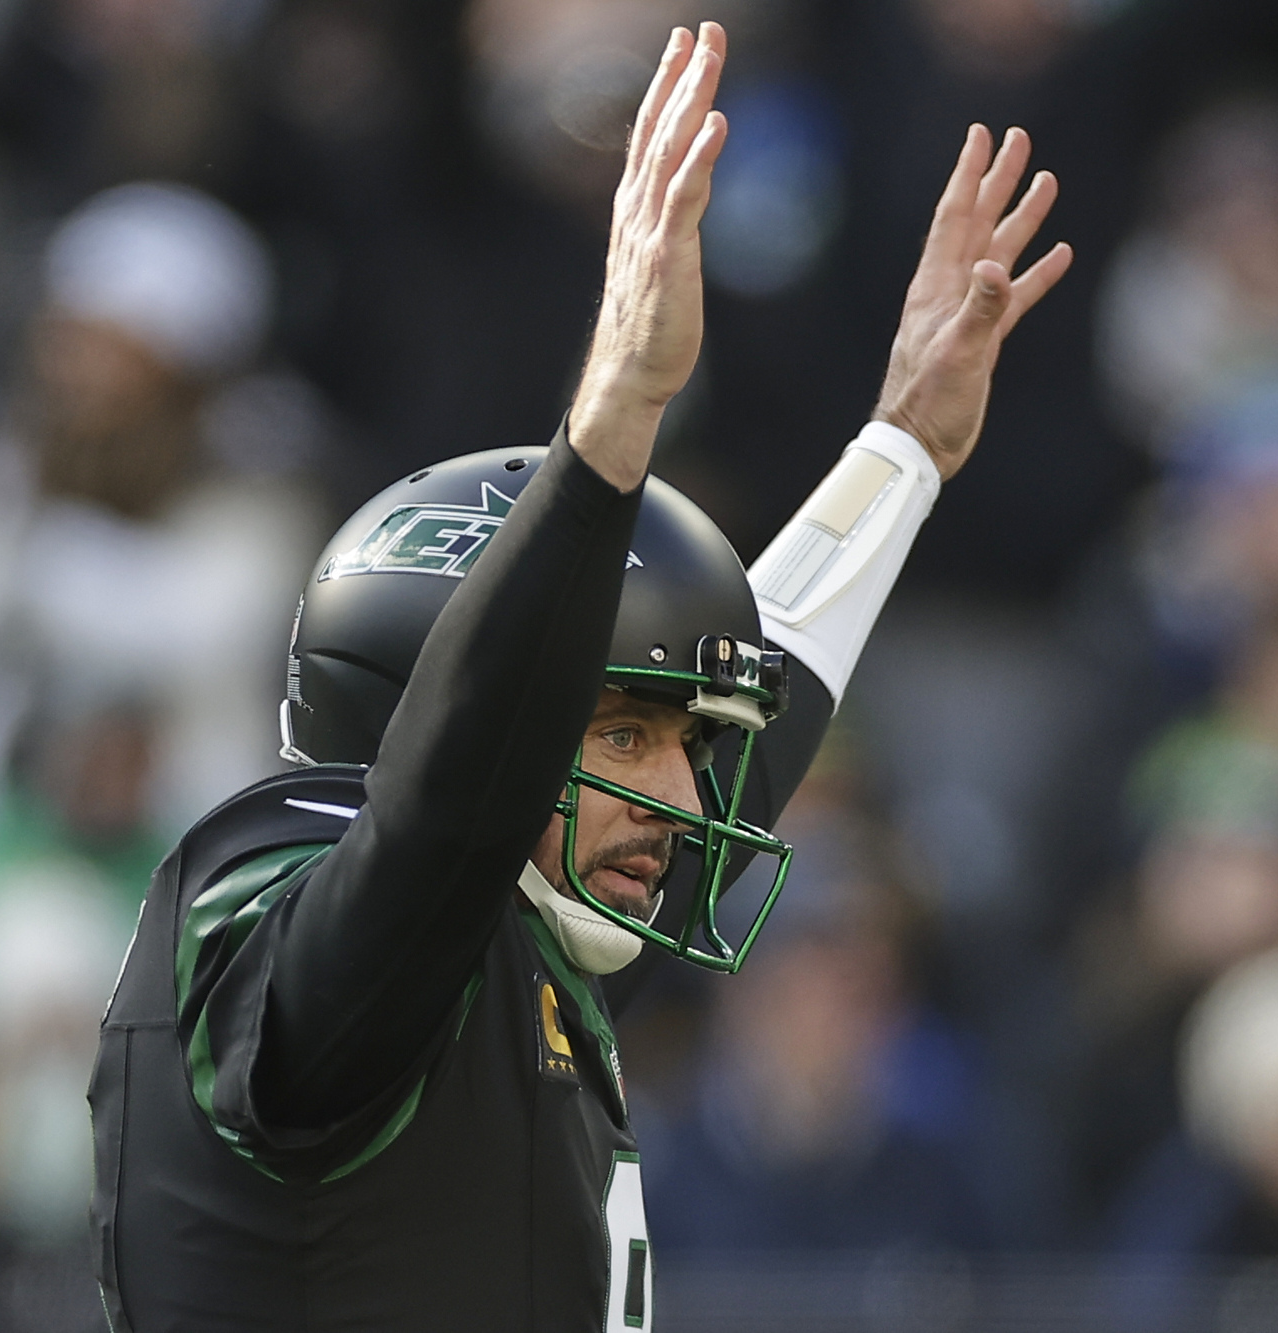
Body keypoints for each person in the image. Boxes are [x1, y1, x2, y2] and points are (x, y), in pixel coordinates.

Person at [88, 20, 1071, 1332]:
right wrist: (607, 430)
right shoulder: (272, 902)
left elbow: (719, 730)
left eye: (680, 742)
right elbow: (439, 820)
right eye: (619, 733)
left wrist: (902, 452)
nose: (683, 793)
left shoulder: (521, 949)